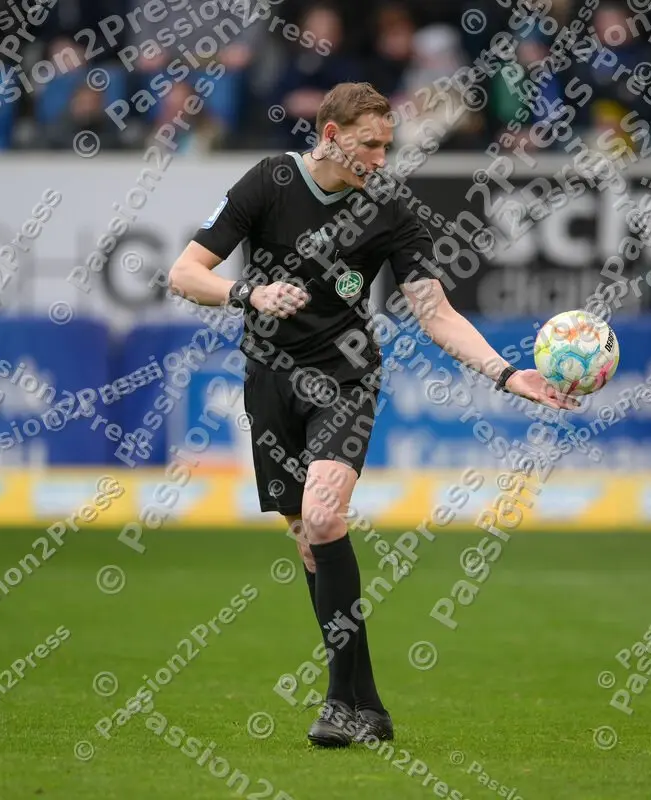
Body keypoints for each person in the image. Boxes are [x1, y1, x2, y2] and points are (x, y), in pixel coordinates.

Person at [166, 82, 575, 748]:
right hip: (269, 382)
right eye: (371, 145)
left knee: (326, 516)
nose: (383, 158)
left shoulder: (390, 207)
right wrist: (248, 292)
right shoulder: (268, 182)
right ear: (331, 136)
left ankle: (336, 702)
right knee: (309, 542)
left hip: (343, 379)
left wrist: (506, 372)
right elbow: (185, 273)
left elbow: (435, 312)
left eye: (389, 145)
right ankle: (368, 705)